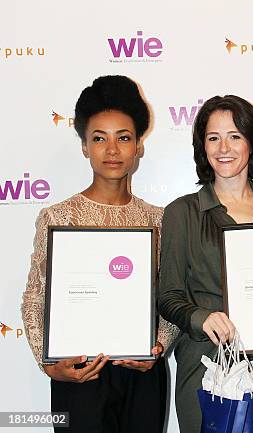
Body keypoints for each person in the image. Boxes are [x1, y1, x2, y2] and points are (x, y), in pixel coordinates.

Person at [21, 75, 179, 433]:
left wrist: (158, 346)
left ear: (139, 145)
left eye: (123, 138)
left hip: (140, 374)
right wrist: (48, 364)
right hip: (79, 374)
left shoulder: (159, 219)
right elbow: (35, 296)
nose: (112, 150)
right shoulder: (58, 217)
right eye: (99, 138)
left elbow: (172, 295)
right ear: (83, 147)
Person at [158, 95, 253, 433]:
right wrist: (202, 318)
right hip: (204, 362)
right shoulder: (182, 213)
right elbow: (169, 295)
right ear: (202, 147)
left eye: (235, 136)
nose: (223, 147)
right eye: (213, 137)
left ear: (252, 143)